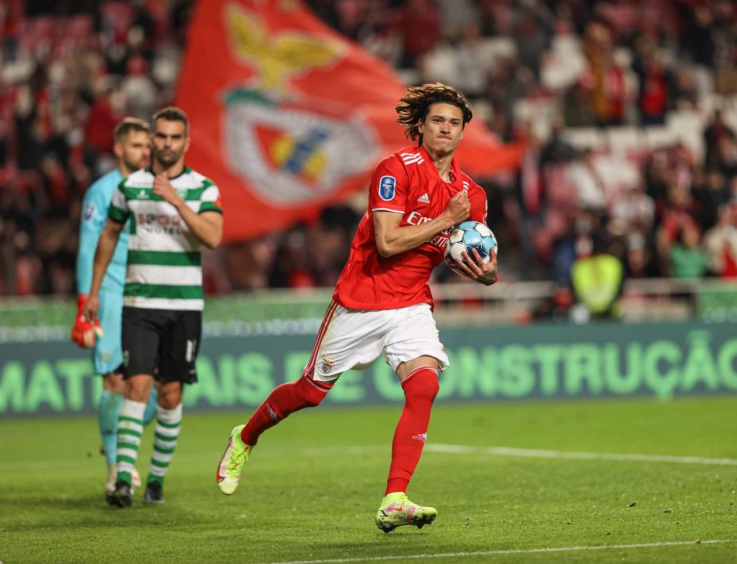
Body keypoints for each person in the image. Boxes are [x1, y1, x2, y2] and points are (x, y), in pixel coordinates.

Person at [216, 83, 498, 533]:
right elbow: (386, 243)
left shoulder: (472, 195)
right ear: (421, 127)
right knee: (309, 393)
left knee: (424, 387)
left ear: (464, 132)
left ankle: (395, 498)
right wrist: (446, 220)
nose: (446, 128)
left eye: (454, 123)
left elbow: (477, 258)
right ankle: (244, 437)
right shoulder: (395, 169)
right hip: (361, 300)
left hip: (411, 305)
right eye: (438, 121)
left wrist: (484, 273)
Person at [84, 106, 224, 507]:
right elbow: (109, 235)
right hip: (139, 304)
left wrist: (176, 201)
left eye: (173, 137)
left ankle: (157, 479)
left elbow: (212, 237)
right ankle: (124, 479)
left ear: (186, 142)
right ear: (154, 140)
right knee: (136, 385)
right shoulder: (129, 187)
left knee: (171, 394)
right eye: (160, 136)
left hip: (183, 306)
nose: (165, 144)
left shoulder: (203, 188)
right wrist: (94, 291)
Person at [70, 117, 158, 501]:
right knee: (114, 381)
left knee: (153, 385)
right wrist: (83, 301)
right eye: (137, 145)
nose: (144, 152)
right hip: (108, 293)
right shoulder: (101, 191)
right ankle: (115, 470)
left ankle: (117, 441)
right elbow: (89, 247)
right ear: (119, 149)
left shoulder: (155, 188)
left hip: (147, 293)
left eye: (147, 146)